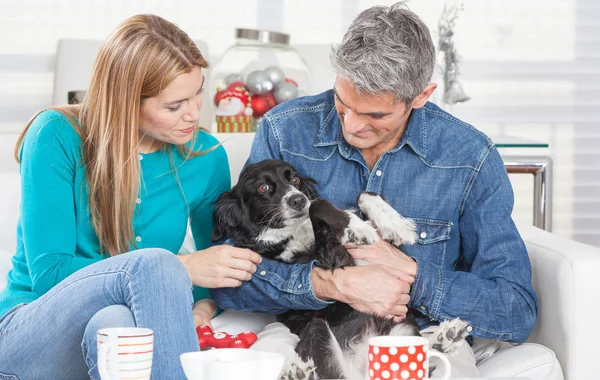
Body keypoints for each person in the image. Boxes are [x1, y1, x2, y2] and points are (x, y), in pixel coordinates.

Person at [210, 2, 542, 377]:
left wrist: (412, 278)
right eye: (342, 103)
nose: (351, 126)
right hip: (305, 327)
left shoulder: (471, 158)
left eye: (376, 115)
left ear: (420, 96)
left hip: (418, 331)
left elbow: (515, 309)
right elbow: (228, 280)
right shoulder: (285, 131)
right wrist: (329, 284)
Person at [0, 14, 262, 380]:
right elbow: (49, 274)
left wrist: (199, 311)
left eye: (198, 92)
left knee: (118, 323)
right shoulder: (56, 136)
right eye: (174, 106)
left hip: (120, 329)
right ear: (126, 102)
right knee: (155, 265)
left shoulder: (205, 156)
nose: (193, 114)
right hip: (28, 332)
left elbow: (215, 267)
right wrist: (180, 268)